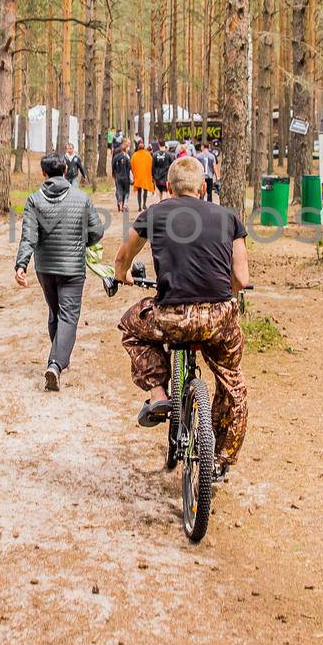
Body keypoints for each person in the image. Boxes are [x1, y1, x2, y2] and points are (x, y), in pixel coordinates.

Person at [114, 156, 250, 478]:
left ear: (170, 188)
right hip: (219, 318)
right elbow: (241, 279)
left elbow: (123, 258)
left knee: (131, 325)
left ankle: (159, 393)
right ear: (203, 188)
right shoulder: (229, 217)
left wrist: (122, 274)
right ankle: (220, 457)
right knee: (232, 382)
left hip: (171, 317)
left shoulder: (155, 214)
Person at [15, 152, 106, 390]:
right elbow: (97, 231)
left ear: (43, 174)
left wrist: (21, 265)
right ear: (66, 171)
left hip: (45, 268)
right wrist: (82, 241)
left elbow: (28, 236)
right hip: (72, 267)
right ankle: (56, 363)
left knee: (56, 312)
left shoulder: (34, 200)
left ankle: (60, 355)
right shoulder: (81, 198)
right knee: (68, 316)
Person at [131, 139, 156, 211]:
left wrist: (134, 173)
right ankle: (144, 204)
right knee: (145, 190)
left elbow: (132, 166)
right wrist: (152, 175)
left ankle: (139, 206)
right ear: (144, 147)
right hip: (146, 176)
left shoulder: (134, 155)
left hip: (138, 176)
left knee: (139, 191)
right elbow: (152, 165)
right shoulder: (148, 155)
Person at [112, 141, 133, 213]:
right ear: (125, 150)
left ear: (120, 150)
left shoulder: (115, 157)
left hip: (118, 177)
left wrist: (114, 175)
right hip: (125, 177)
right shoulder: (126, 158)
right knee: (127, 192)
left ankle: (120, 205)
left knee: (119, 191)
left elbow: (113, 167)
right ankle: (125, 204)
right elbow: (129, 168)